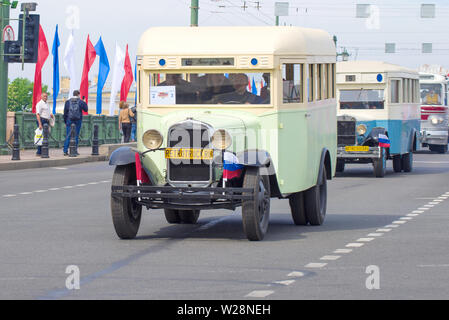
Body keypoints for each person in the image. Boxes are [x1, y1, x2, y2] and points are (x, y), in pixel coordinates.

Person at [63, 90, 88, 156]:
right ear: (78, 95)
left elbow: (65, 113)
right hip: (78, 120)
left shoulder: (67, 102)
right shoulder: (81, 102)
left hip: (69, 120)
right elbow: (86, 110)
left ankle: (65, 151)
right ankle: (74, 151)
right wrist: (84, 102)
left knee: (68, 135)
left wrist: (65, 121)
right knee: (76, 136)